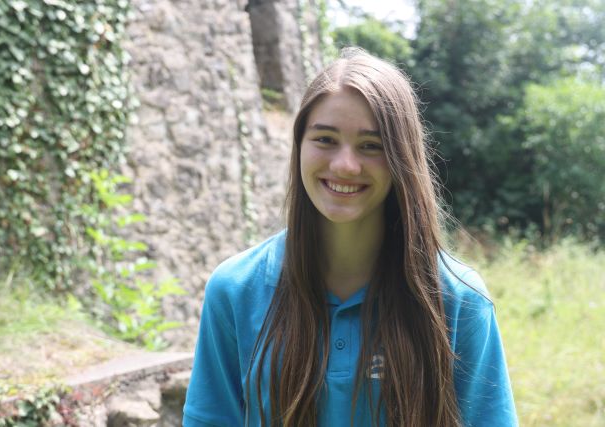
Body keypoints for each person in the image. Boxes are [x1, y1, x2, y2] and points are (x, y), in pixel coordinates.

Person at [182, 48, 518, 426]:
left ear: (402, 158)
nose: (345, 165)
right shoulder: (234, 289)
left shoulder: (459, 299)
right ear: (299, 146)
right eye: (325, 139)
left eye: (371, 146)